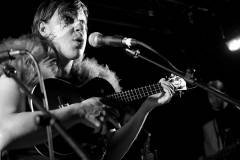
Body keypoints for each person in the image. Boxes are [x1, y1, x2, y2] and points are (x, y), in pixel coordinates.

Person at [0, 0, 175, 160]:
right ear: (44, 29)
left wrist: (145, 109)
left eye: (83, 23)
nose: (79, 28)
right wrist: (80, 111)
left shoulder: (92, 86)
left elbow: (110, 153)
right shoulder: (19, 69)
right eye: (68, 19)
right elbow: (3, 132)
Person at [199, 80, 240, 160]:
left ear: (224, 94)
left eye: (215, 95)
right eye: (210, 96)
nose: (212, 100)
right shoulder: (207, 116)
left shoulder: (235, 111)